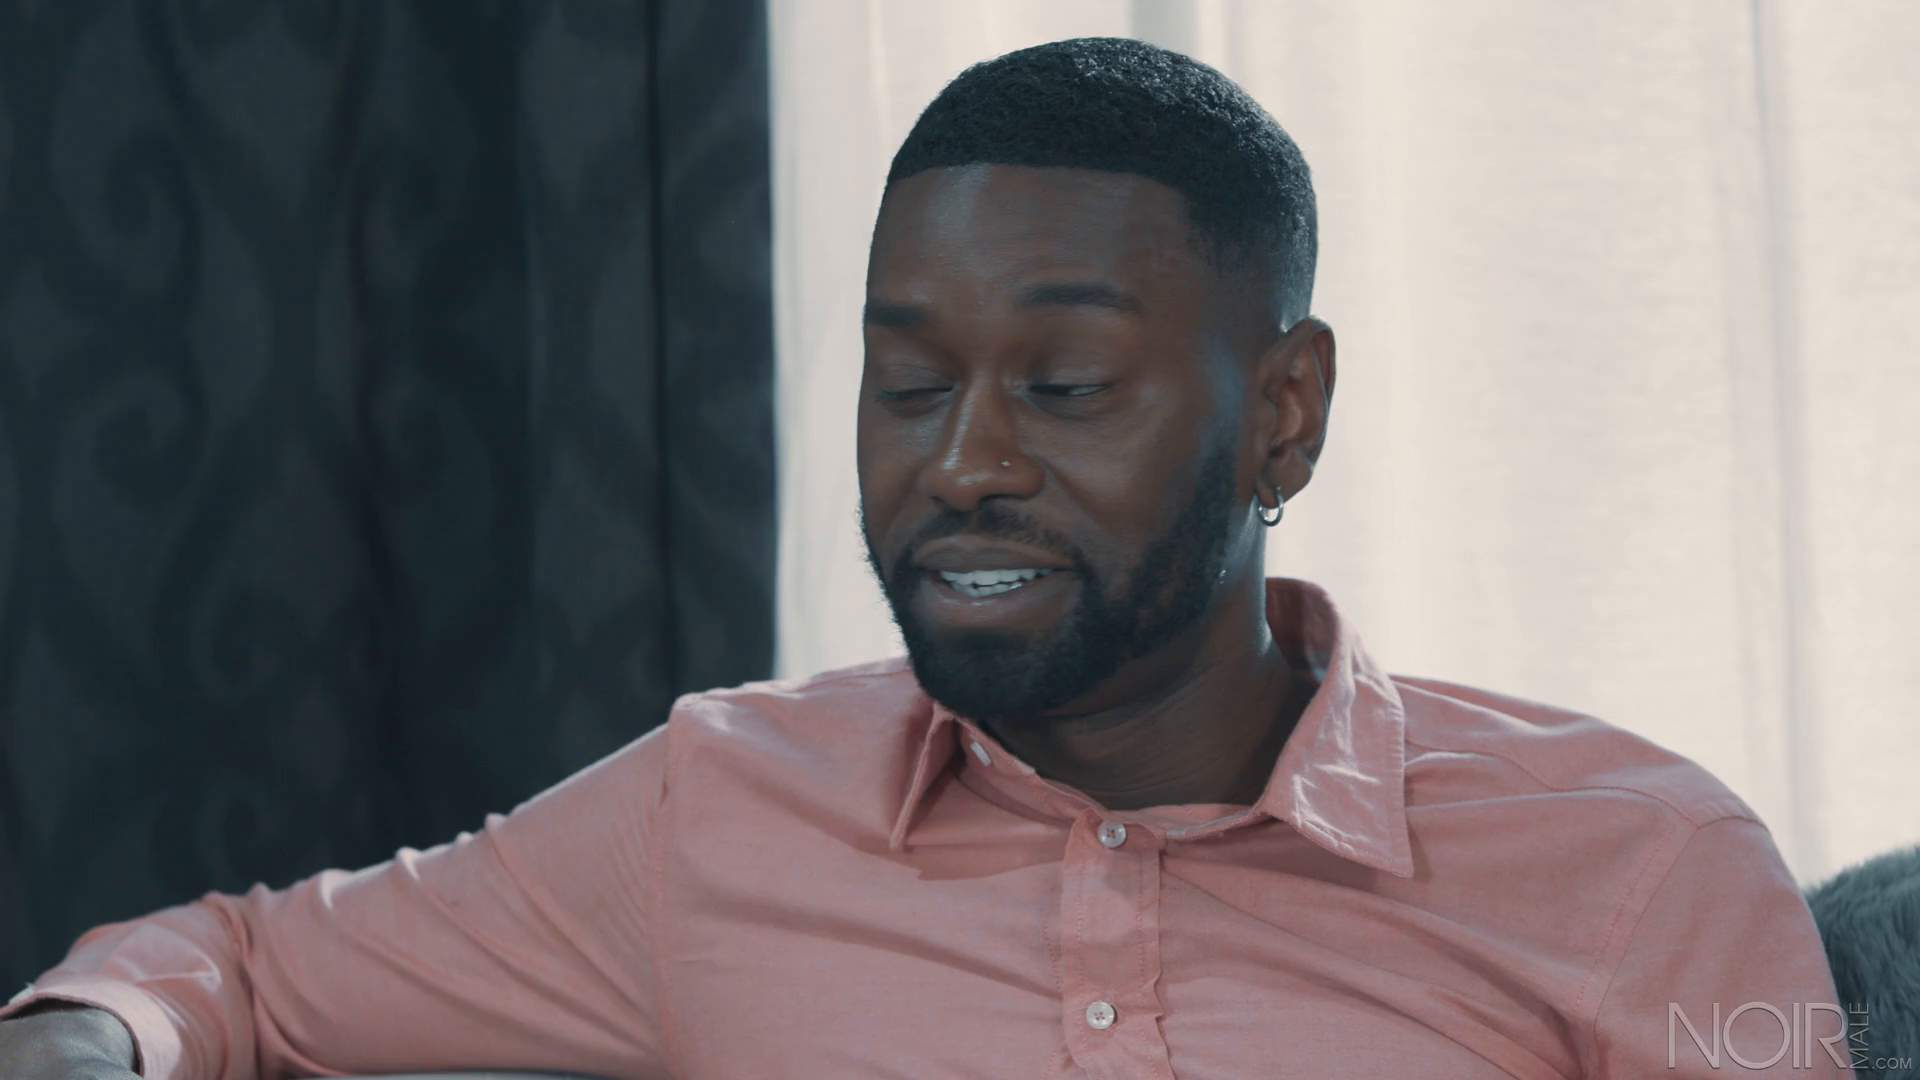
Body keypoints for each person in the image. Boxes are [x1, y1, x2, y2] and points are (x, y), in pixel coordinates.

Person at [0, 37, 1850, 1079]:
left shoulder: (1637, 864)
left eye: (1065, 386)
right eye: (907, 385)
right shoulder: (720, 807)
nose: (961, 464)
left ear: (1283, 415)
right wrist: (99, 1043)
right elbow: (233, 971)